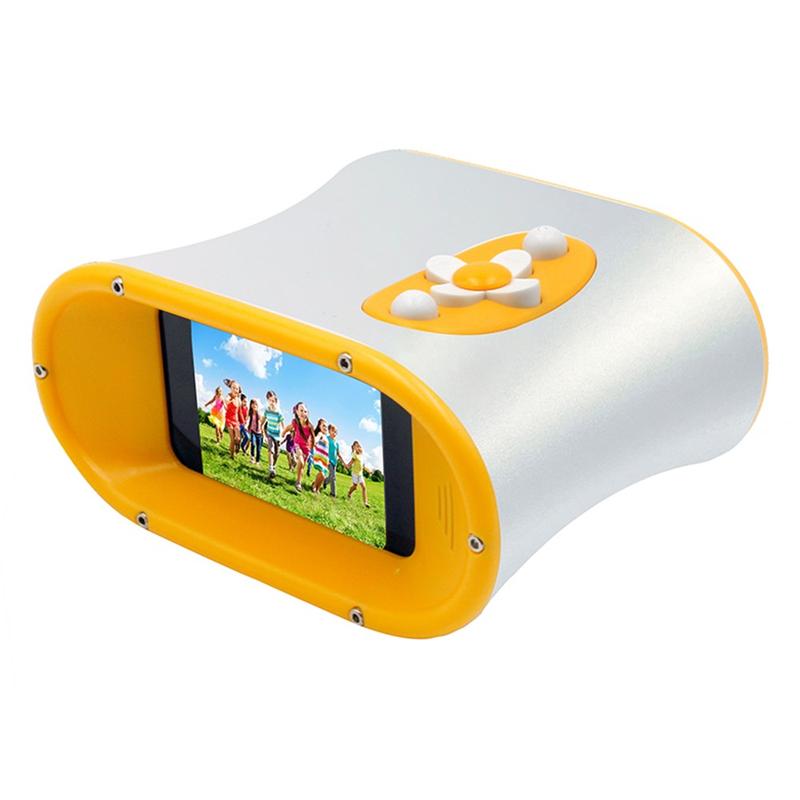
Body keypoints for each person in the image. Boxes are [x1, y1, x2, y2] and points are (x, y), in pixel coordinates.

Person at [282, 402, 314, 491]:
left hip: (306, 448)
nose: (303, 413)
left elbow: (313, 438)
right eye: (301, 410)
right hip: (298, 445)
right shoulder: (295, 422)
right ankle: (298, 482)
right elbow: (289, 427)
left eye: (305, 411)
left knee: (302, 467)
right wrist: (283, 433)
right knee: (301, 461)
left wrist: (312, 447)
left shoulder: (310, 426)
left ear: (308, 413)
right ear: (297, 412)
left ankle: (298, 482)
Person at [262, 390, 284, 480]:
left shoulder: (279, 412)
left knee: (277, 453)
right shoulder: (267, 411)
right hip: (269, 433)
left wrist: (282, 436)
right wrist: (264, 435)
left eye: (273, 400)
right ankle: (271, 468)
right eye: (270, 400)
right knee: (271, 449)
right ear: (267, 400)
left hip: (277, 435)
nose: (272, 402)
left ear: (276, 401)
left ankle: (273, 466)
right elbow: (262, 423)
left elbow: (283, 425)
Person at [346, 440, 370, 507]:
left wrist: (368, 470)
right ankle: (349, 493)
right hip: (355, 473)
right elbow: (351, 462)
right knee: (355, 487)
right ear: (354, 447)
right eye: (356, 446)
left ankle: (365, 503)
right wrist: (347, 466)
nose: (358, 447)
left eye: (358, 446)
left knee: (364, 487)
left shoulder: (361, 456)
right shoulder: (354, 455)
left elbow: (363, 466)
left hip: (360, 474)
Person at [223, 379, 242, 458]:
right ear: (230, 388)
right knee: (232, 439)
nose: (235, 390)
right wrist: (227, 401)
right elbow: (226, 400)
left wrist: (242, 421)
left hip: (236, 421)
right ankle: (231, 456)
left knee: (238, 438)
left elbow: (239, 411)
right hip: (229, 420)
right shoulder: (229, 396)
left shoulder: (238, 399)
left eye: (236, 388)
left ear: (238, 390)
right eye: (233, 388)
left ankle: (237, 448)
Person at [310, 419, 330, 493]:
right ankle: (314, 486)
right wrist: (315, 441)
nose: (325, 428)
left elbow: (327, 450)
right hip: (319, 457)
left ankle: (318, 488)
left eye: (326, 427)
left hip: (325, 458)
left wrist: (328, 459)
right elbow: (316, 439)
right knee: (321, 472)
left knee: (324, 475)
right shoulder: (320, 434)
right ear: (319, 426)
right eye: (323, 426)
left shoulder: (326, 437)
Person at [324, 424, 342, 497]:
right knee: (333, 477)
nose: (334, 433)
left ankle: (324, 482)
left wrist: (344, 462)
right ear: (329, 431)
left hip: (335, 461)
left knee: (332, 477)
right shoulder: (326, 439)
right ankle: (333, 493)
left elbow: (338, 453)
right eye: (333, 431)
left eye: (336, 432)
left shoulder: (336, 443)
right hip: (328, 460)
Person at [246, 398, 263, 465]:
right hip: (252, 431)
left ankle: (257, 461)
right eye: (252, 404)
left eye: (255, 404)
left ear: (257, 406)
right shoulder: (250, 412)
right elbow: (247, 419)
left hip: (259, 433)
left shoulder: (258, 413)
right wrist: (246, 425)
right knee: (253, 444)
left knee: (258, 449)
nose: (254, 405)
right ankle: (252, 458)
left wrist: (263, 432)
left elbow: (262, 422)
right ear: (250, 405)